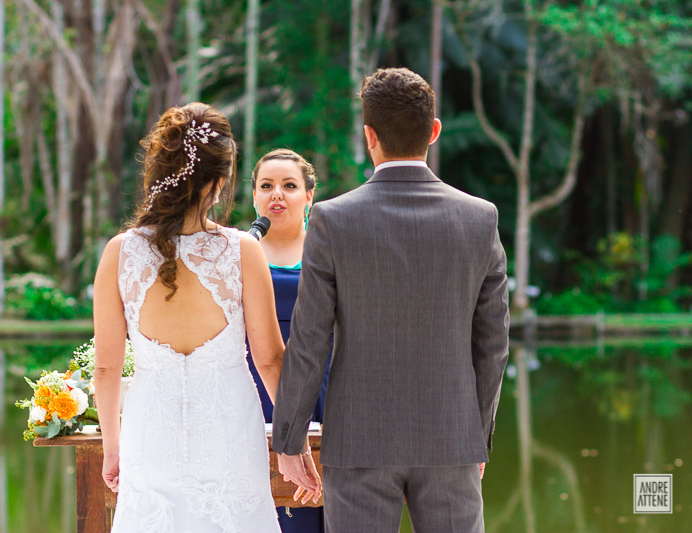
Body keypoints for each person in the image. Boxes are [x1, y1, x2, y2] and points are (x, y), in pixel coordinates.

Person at [272, 67, 510, 532]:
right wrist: (476, 437)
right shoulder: (479, 219)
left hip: (358, 440)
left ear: (369, 136)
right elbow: (494, 344)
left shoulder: (331, 220)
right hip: (451, 439)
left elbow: (309, 340)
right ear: (434, 131)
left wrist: (289, 439)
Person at [92, 102, 286, 532]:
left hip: (149, 435)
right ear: (219, 181)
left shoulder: (119, 253)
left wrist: (112, 447)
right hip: (230, 436)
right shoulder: (244, 252)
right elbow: (270, 360)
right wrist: (293, 446)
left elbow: (105, 367)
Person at [246, 149, 330, 532]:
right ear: (254, 196)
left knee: (314, 504)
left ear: (309, 196)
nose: (276, 194)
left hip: (321, 388)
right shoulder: (235, 251)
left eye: (289, 186)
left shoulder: (329, 250)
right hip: (252, 388)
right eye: (267, 186)